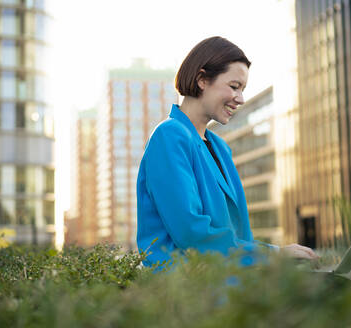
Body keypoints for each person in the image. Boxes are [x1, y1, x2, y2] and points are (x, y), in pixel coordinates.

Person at [136, 36, 318, 270]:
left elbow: (239, 235)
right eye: (234, 87)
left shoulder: (220, 148)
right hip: (184, 289)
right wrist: (273, 254)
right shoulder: (169, 136)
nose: (240, 99)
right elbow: (191, 234)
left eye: (242, 89)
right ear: (202, 80)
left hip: (228, 281)